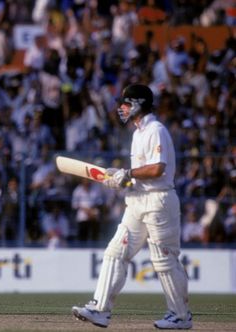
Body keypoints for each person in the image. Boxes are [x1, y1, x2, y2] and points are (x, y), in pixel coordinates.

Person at [72, 84, 192, 330]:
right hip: (137, 201)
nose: (121, 108)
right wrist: (123, 180)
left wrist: (127, 173)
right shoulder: (138, 133)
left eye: (125, 103)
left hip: (159, 202)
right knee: (115, 253)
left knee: (165, 262)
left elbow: (158, 168)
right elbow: (141, 174)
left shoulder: (155, 130)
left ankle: (180, 316)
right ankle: (100, 309)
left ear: (138, 104)